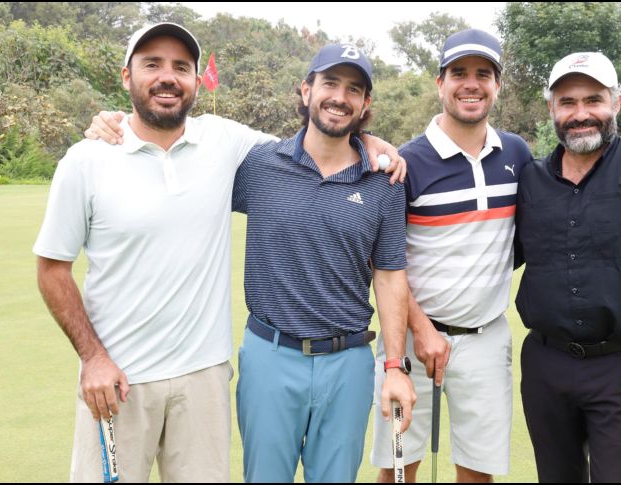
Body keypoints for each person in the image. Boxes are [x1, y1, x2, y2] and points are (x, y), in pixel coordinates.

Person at [38, 22, 404, 482]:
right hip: (127, 377)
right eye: (152, 65)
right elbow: (51, 267)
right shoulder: (92, 158)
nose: (167, 77)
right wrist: (92, 357)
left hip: (208, 377)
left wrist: (368, 142)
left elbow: (328, 149)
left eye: (181, 67)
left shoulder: (228, 144)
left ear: (196, 79)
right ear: (127, 75)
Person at [230, 43, 416, 483]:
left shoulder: (385, 181)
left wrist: (394, 366)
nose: (340, 97)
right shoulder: (259, 165)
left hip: (347, 363)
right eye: (330, 83)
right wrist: (120, 124)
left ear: (365, 104)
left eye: (354, 89)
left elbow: (390, 276)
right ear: (306, 90)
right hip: (270, 356)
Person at [514, 52, 621, 483]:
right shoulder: (530, 179)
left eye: (593, 99)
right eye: (567, 102)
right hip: (545, 365)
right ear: (552, 108)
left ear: (617, 102)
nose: (581, 114)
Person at [370, 29, 533, 483]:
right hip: (410, 341)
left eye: (483, 73)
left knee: (478, 472)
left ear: (497, 85)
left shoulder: (516, 153)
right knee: (398, 469)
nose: (471, 84)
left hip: (486, 338)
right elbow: (382, 262)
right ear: (440, 83)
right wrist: (422, 330)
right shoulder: (407, 162)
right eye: (459, 73)